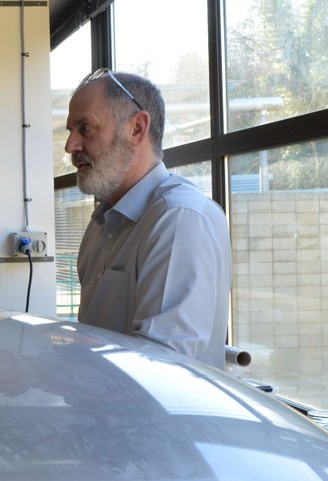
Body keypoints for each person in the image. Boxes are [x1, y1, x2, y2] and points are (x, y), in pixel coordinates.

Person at [65, 69, 230, 368]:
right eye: (70, 131)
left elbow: (163, 367)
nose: (70, 146)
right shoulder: (101, 223)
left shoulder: (178, 218)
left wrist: (46, 370)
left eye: (85, 129)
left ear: (137, 129)